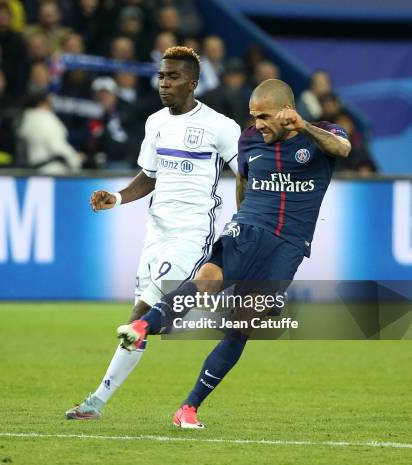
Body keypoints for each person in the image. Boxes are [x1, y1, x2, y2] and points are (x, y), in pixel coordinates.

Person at [117, 79, 351, 428]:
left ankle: (188, 408)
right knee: (208, 279)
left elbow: (343, 149)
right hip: (250, 228)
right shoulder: (250, 139)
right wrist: (240, 219)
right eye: (254, 116)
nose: (258, 124)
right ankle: (142, 326)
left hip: (289, 245)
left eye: (265, 117)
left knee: (241, 326)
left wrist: (304, 127)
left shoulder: (321, 133)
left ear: (288, 111)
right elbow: (243, 181)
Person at [65, 46, 241, 420]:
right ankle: (196, 309)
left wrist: (245, 216)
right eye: (161, 75)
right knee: (141, 319)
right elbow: (149, 176)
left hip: (192, 233)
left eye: (173, 76)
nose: (164, 83)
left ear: (193, 83)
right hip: (156, 232)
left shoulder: (220, 126)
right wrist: (116, 196)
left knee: (141, 313)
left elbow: (245, 173)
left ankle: (97, 401)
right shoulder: (155, 123)